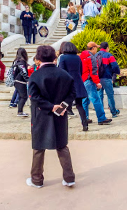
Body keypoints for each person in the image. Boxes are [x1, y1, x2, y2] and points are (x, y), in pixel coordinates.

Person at [26, 45, 77, 189]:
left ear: (38, 58)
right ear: (55, 57)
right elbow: (72, 94)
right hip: (60, 114)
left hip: (41, 115)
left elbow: (34, 97)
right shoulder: (65, 75)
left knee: (38, 148)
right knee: (62, 146)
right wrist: (60, 107)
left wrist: (50, 106)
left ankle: (37, 179)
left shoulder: (35, 76)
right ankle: (69, 178)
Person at [58, 42, 89, 131]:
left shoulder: (63, 57)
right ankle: (85, 123)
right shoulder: (78, 58)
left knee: (63, 104)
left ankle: (57, 123)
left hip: (67, 84)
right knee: (79, 105)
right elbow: (81, 70)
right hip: (78, 83)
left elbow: (62, 71)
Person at [81, 42, 113, 125]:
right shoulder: (91, 57)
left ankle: (85, 118)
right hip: (90, 80)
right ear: (93, 48)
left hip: (83, 80)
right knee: (96, 99)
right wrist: (97, 82)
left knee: (85, 100)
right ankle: (101, 118)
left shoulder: (82, 56)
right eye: (96, 48)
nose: (97, 50)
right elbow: (93, 71)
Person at [97, 42, 121, 118]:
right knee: (110, 95)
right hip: (106, 77)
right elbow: (114, 65)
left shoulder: (95, 55)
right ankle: (113, 112)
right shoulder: (109, 55)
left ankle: (101, 113)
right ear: (107, 48)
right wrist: (117, 72)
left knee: (99, 96)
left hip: (97, 79)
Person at [10, 48, 30, 117]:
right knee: (24, 96)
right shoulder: (21, 62)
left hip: (16, 80)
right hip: (20, 81)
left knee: (22, 96)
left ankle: (20, 110)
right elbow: (23, 72)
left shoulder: (15, 61)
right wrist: (28, 79)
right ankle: (20, 111)